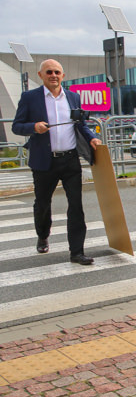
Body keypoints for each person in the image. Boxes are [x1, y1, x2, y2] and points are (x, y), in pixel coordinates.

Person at [12, 59, 102, 265]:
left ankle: (77, 252)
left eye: (57, 72)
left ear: (63, 75)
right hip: (44, 161)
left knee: (76, 206)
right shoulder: (29, 98)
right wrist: (34, 127)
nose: (53, 75)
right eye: (49, 72)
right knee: (43, 203)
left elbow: (81, 125)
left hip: (70, 160)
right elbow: (17, 126)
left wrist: (92, 138)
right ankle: (43, 234)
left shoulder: (72, 97)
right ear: (41, 75)